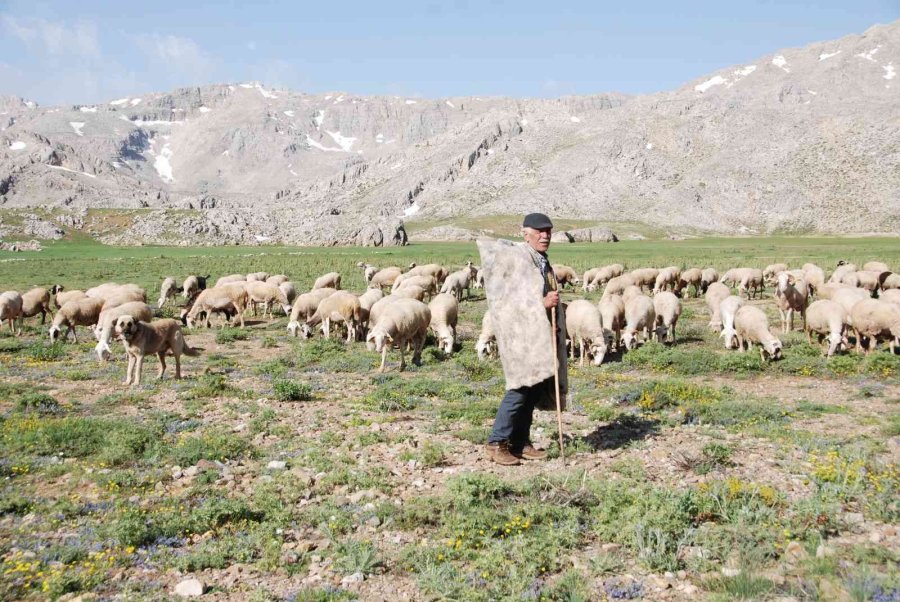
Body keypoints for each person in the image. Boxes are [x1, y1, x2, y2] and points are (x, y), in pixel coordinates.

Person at [481, 212, 567, 466]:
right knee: (519, 388)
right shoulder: (518, 260)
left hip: (538, 334)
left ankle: (520, 441)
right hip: (520, 335)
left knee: (535, 387)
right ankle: (497, 442)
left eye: (548, 231)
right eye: (539, 231)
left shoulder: (540, 261)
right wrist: (541, 302)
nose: (545, 236)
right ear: (525, 233)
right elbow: (506, 300)